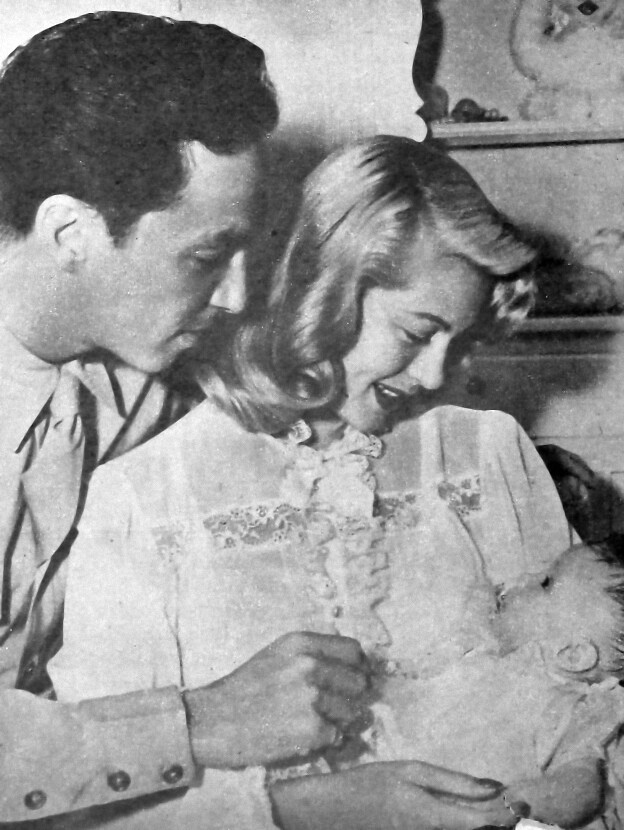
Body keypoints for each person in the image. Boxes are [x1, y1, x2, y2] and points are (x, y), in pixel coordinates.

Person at [48, 136, 589, 829]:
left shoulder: (487, 453)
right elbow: (101, 807)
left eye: (459, 341)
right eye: (415, 332)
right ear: (322, 289)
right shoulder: (144, 497)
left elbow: (589, 689)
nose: (433, 374)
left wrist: (522, 805)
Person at [0, 11, 372, 822]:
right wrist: (198, 723)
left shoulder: (145, 383)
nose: (235, 295)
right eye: (206, 257)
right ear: (71, 232)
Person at [345, 541, 624, 828]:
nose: (525, 578)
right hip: (377, 776)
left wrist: (512, 805)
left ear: (573, 655)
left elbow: (582, 785)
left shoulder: (567, 706)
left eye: (546, 583)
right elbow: (419, 691)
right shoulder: (484, 654)